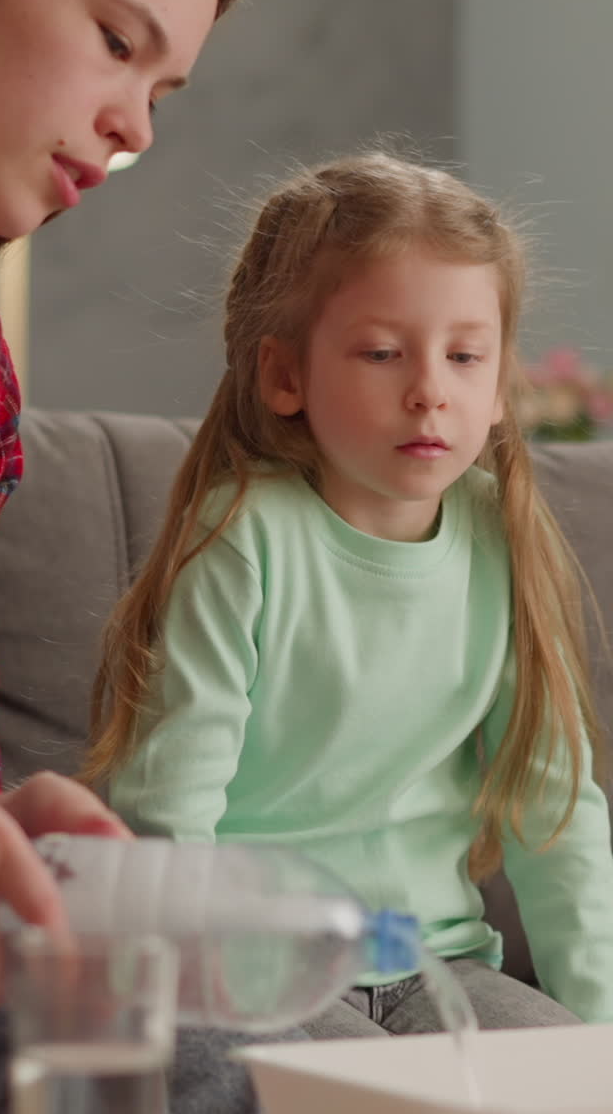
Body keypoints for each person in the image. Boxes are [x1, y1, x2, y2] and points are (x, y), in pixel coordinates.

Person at [87, 150, 613, 1054]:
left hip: (443, 969)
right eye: (382, 353)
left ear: (498, 388)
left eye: (463, 356)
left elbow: (553, 808)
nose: (429, 390)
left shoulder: (501, 538)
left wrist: (599, 1037)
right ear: (285, 376)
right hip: (257, 978)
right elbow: (170, 811)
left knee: (554, 1103)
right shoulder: (242, 538)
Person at [0, 0, 239, 1114]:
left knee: (255, 1039)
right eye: (114, 40)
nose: (134, 126)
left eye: (164, 90)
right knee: (188, 1071)